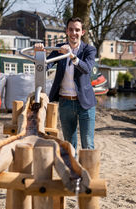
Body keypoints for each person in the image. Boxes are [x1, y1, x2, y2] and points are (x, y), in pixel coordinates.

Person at [34, 17, 97, 152]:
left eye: (77, 30)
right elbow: (44, 66)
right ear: (67, 31)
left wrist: (71, 56)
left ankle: (89, 172)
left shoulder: (89, 50)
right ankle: (72, 172)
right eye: (71, 29)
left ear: (83, 32)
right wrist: (39, 54)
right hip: (65, 103)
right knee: (69, 145)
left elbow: (86, 68)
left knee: (88, 143)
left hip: (85, 103)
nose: (74, 33)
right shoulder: (59, 48)